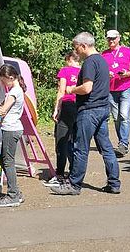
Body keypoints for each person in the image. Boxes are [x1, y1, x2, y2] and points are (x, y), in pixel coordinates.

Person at [50, 32, 121, 195]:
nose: (77, 52)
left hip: (89, 110)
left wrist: (72, 89)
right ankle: (114, 183)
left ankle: (74, 185)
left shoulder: (89, 62)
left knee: (80, 148)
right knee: (106, 148)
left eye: (77, 48)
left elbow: (87, 88)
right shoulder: (103, 60)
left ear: (83, 45)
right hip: (103, 109)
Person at [101, 29, 130, 157]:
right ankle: (121, 143)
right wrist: (106, 74)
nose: (111, 41)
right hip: (110, 89)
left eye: (113, 38)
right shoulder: (104, 54)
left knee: (124, 115)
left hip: (125, 87)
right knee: (116, 118)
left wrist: (126, 74)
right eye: (109, 38)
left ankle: (123, 144)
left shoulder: (128, 51)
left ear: (119, 38)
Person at [44, 51, 80, 186]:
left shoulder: (65, 71)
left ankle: (59, 174)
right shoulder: (84, 71)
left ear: (70, 59)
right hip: (80, 108)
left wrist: (56, 109)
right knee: (75, 141)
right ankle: (74, 172)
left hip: (67, 106)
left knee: (61, 141)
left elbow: (61, 90)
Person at [0, 64, 26, 207]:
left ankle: (13, 195)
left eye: (2, 80)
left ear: (10, 78)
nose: (2, 83)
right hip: (12, 128)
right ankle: (15, 192)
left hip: (11, 129)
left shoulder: (14, 92)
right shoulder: (15, 90)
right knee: (4, 160)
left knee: (8, 161)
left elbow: (2, 110)